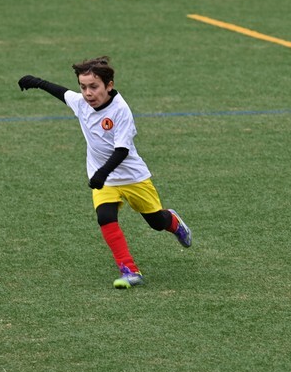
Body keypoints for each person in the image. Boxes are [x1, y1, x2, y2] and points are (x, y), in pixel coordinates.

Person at [18, 56, 192, 289]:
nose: (88, 93)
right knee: (105, 217)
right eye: (83, 87)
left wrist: (102, 173)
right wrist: (36, 82)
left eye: (93, 87)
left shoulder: (120, 110)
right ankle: (129, 270)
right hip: (105, 179)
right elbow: (62, 92)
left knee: (156, 222)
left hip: (132, 177)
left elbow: (122, 150)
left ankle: (174, 223)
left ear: (109, 86)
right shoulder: (82, 103)